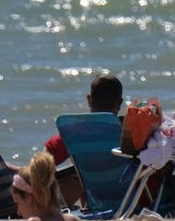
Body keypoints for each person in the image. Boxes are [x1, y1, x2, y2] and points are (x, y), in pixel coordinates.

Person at [44, 73, 125, 208]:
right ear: (120, 103)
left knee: (80, 171)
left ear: (89, 100)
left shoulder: (74, 133)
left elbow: (44, 161)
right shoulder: (127, 131)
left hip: (95, 203)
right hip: (129, 199)